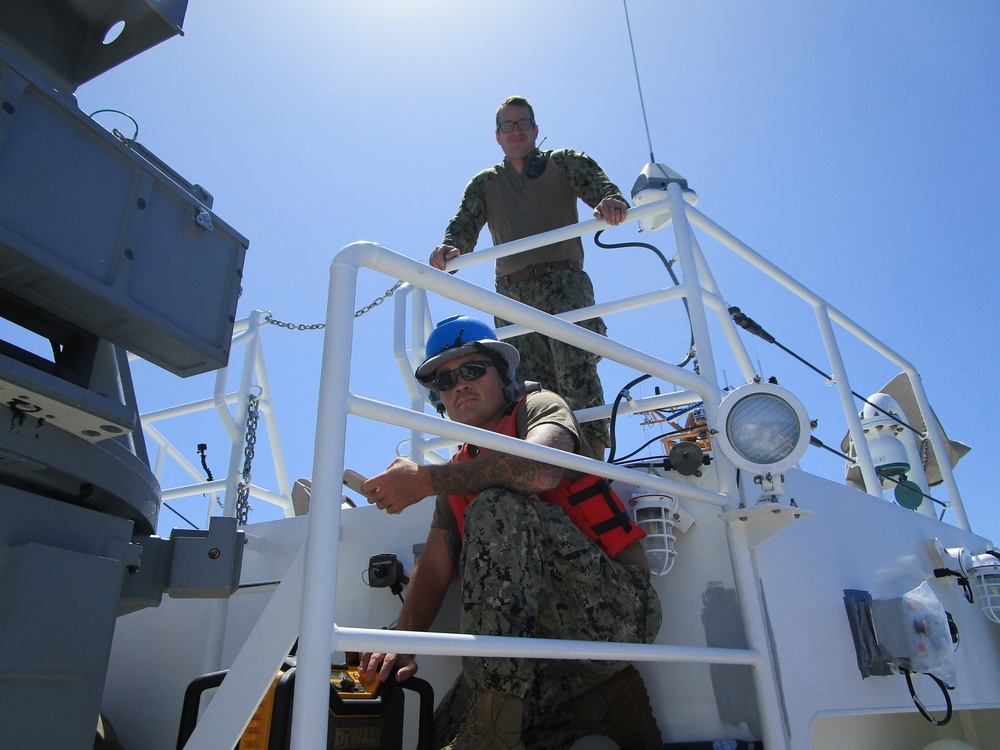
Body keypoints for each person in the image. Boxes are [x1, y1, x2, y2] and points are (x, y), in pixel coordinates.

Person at [359, 315, 661, 750]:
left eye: (472, 369)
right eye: (445, 378)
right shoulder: (457, 471)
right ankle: (602, 696)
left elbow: (537, 468)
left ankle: (494, 736)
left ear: (503, 375)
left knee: (497, 504)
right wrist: (403, 640)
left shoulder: (540, 409)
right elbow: (437, 563)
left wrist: (425, 481)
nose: (459, 384)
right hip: (541, 649)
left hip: (619, 613)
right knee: (438, 736)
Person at [429, 96, 629, 459]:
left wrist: (610, 201)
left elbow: (599, 186)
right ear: (498, 136)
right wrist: (448, 249)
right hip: (512, 294)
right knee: (525, 387)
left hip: (564, 284)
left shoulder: (564, 162)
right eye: (508, 126)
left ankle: (592, 463)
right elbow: (462, 227)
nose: (516, 131)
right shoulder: (486, 183)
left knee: (577, 370)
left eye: (523, 124)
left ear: (535, 130)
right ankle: (535, 463)